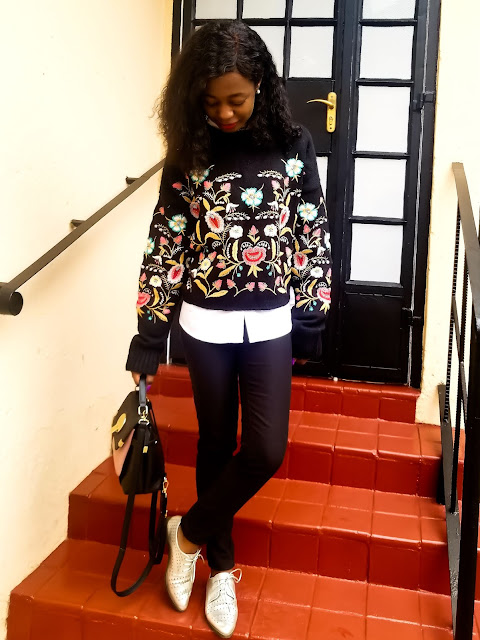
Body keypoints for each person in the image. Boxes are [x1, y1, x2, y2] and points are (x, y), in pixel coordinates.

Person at [126, 20, 332, 639]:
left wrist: (311, 317)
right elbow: (167, 242)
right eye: (211, 101)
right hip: (203, 323)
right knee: (215, 443)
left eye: (235, 99)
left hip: (269, 321)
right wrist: (149, 333)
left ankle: (186, 535)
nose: (223, 112)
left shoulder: (294, 144)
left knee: (265, 449)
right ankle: (221, 568)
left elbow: (310, 231)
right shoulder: (190, 148)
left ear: (260, 86)